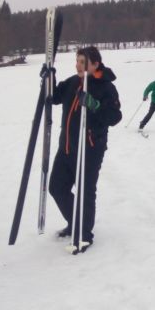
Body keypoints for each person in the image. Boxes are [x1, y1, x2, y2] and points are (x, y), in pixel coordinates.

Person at [48, 46, 122, 251]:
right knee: (56, 187)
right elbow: (54, 97)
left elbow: (115, 117)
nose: (78, 65)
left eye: (83, 62)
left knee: (85, 191)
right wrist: (49, 79)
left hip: (89, 149)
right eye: (77, 61)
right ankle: (75, 223)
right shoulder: (73, 82)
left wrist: (94, 105)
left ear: (95, 64)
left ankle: (85, 233)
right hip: (67, 147)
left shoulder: (106, 87)